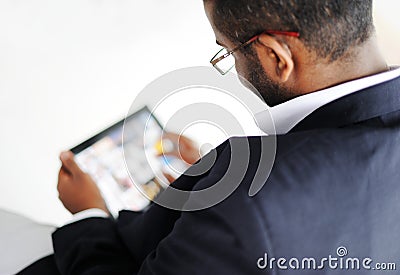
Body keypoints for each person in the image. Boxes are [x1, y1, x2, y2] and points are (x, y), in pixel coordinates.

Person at [19, 0, 400, 274]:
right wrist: (203, 185)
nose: (230, 63)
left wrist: (88, 215)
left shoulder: (247, 206)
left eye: (227, 51)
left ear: (276, 57)